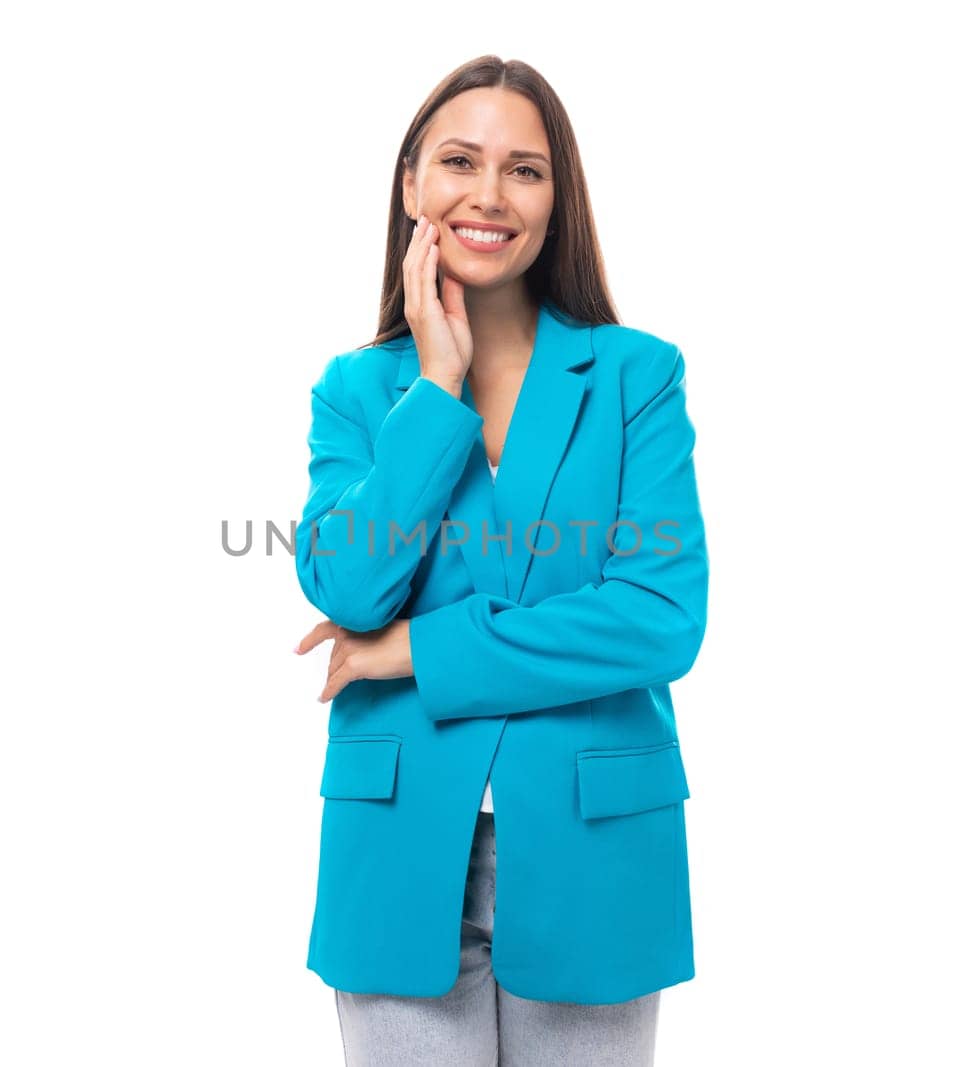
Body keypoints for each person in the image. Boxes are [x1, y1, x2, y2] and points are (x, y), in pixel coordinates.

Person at [292, 54, 708, 1066]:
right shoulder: (358, 390)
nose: (487, 195)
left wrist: (414, 652)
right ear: (410, 186)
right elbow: (348, 584)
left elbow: (656, 616)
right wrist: (436, 386)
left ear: (557, 200)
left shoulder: (634, 376)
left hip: (593, 842)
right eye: (458, 161)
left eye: (524, 169)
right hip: (394, 846)